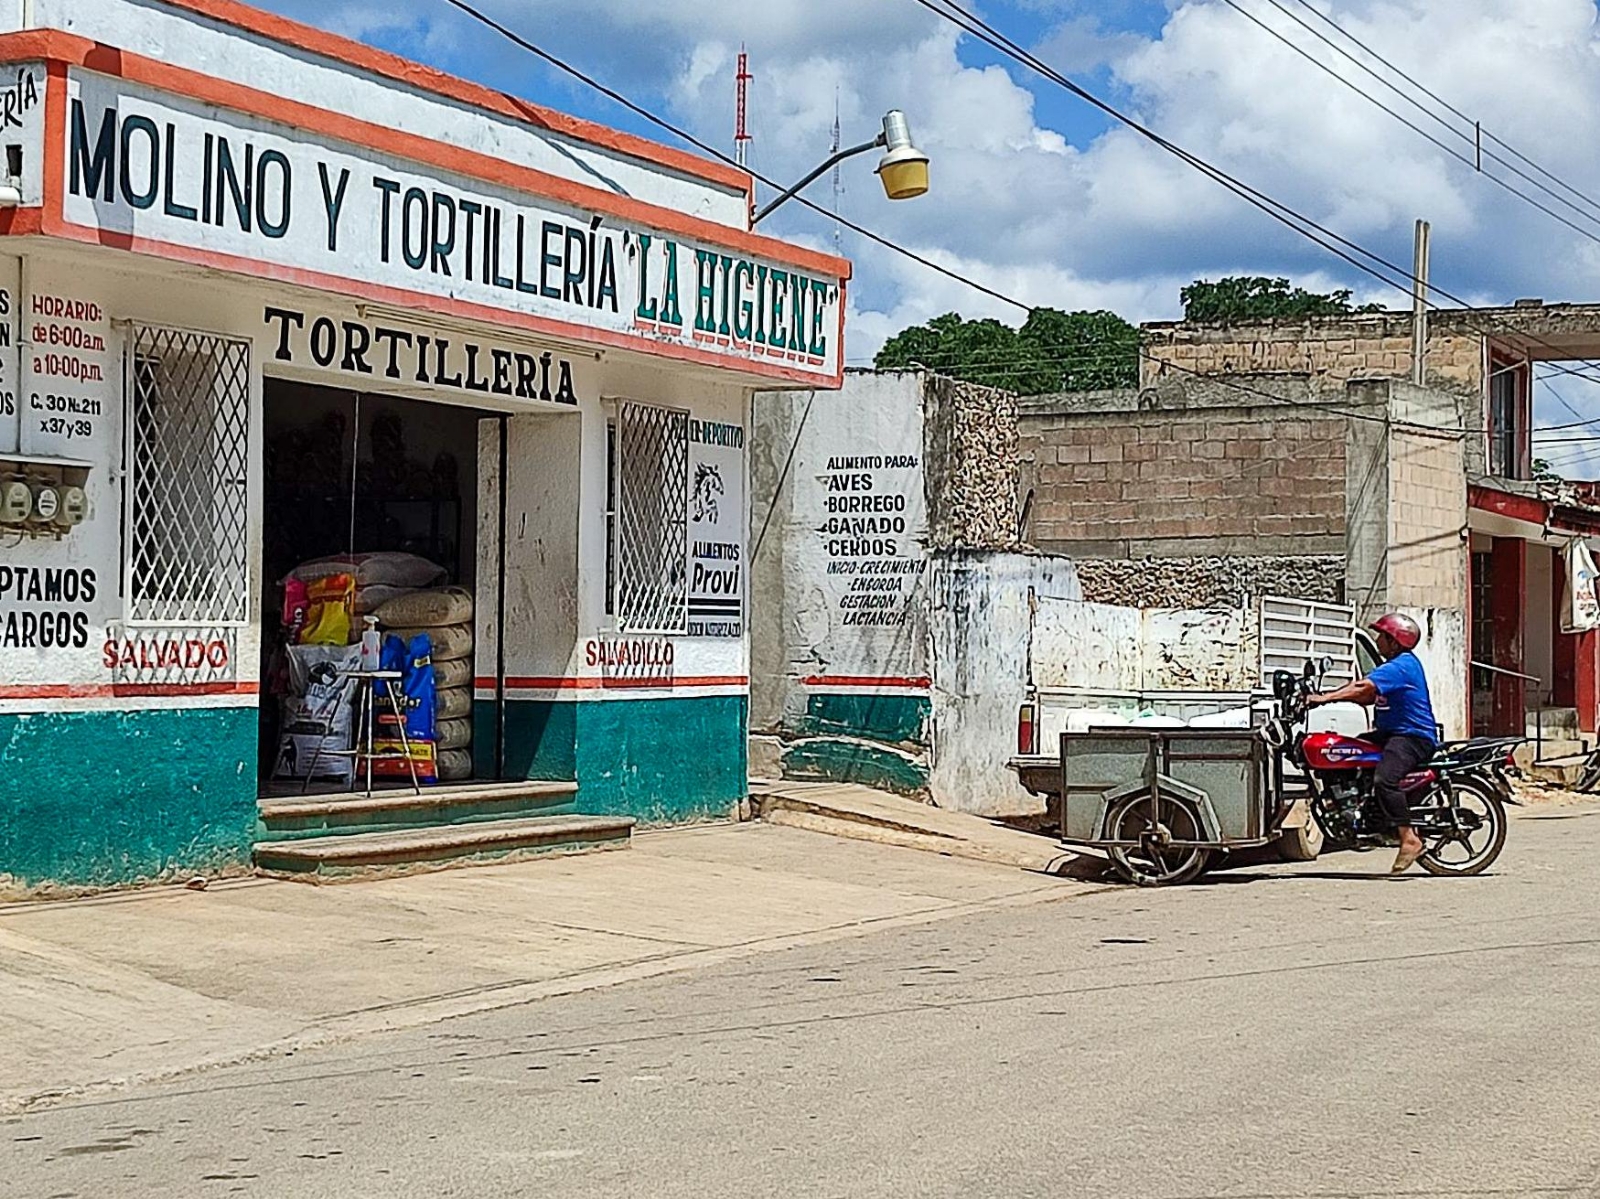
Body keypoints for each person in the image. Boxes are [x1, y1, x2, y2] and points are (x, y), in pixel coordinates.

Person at [1306, 613, 1436, 874]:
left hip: (1412, 736)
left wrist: (1324, 698)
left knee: (1384, 779)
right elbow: (1366, 694)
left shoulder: (1400, 666)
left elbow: (1361, 685)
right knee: (1349, 752)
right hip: (1391, 733)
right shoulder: (1392, 667)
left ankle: (1409, 837)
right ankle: (1367, 814)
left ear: (1394, 641)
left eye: (1382, 636)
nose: (1378, 640)